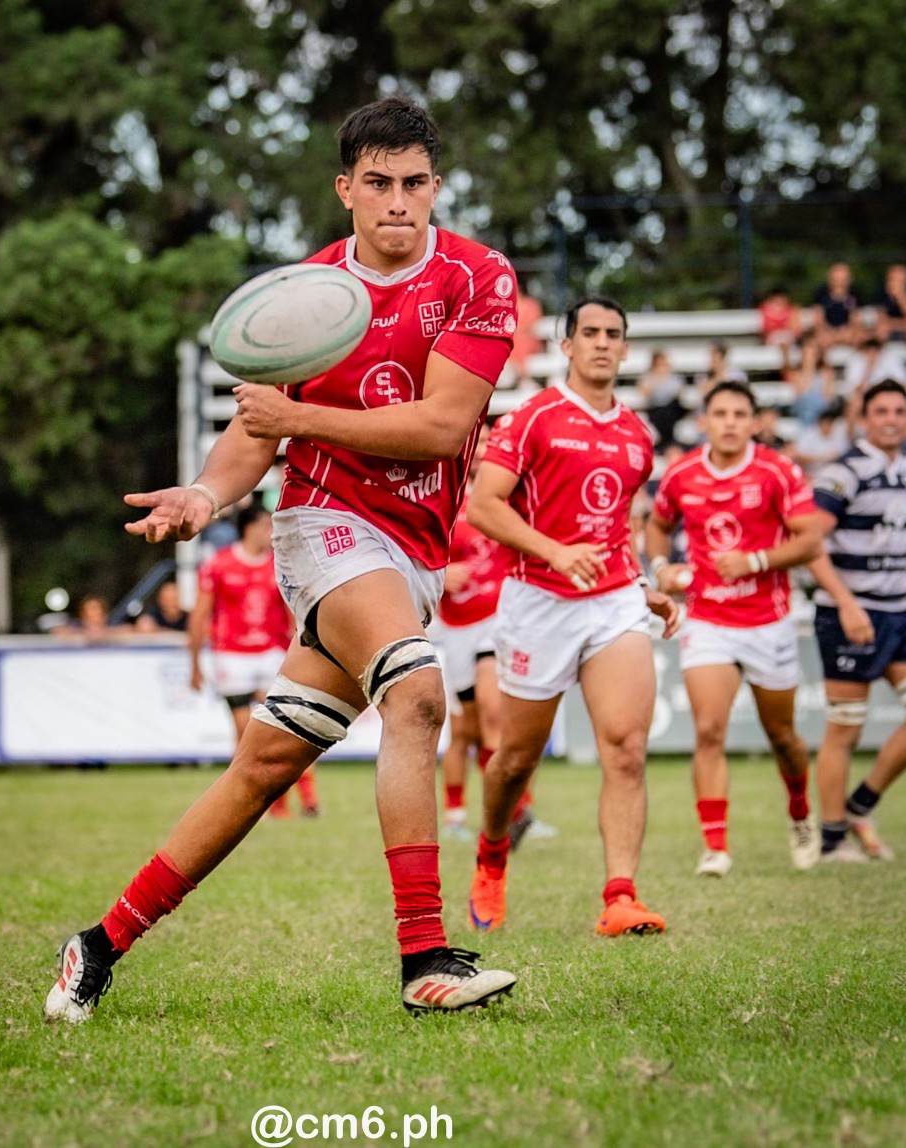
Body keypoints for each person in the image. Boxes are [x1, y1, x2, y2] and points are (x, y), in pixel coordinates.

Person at [44, 95, 518, 1023]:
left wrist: (293, 418)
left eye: (414, 184)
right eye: (376, 184)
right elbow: (253, 436)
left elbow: (441, 426)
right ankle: (424, 955)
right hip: (323, 526)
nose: (397, 202)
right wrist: (205, 496)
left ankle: (97, 945)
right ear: (345, 190)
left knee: (264, 765)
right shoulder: (304, 297)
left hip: (412, 550)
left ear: (436, 188)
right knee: (418, 693)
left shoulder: (477, 276)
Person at [464, 297, 680, 939]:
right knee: (515, 760)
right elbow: (484, 506)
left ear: (626, 347)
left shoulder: (637, 436)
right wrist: (557, 551)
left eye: (615, 334)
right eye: (590, 333)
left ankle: (620, 897)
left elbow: (621, 529)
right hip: (539, 600)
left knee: (627, 748)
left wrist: (642, 584)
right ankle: (493, 853)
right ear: (567, 345)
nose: (603, 344)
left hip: (612, 600)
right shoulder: (532, 418)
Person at [646, 381, 824, 877]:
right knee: (708, 730)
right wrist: (662, 567)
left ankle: (799, 813)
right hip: (708, 619)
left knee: (783, 736)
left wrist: (756, 559)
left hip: (769, 620)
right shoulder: (681, 473)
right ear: (703, 422)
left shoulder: (776, 470)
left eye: (739, 414)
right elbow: (657, 525)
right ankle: (716, 848)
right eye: (719, 413)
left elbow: (810, 539)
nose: (729, 422)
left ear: (754, 421)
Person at [807, 380, 906, 862]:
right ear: (865, 417)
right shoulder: (844, 473)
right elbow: (809, 545)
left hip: (898, 612)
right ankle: (833, 837)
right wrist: (847, 604)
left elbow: (900, 543)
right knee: (845, 728)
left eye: (900, 410)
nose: (892, 419)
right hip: (849, 616)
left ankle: (861, 805)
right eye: (881, 411)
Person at [436, 424, 552, 844]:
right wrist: (439, 572)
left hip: (501, 618)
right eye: (477, 442)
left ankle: (517, 812)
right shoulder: (441, 498)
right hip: (456, 628)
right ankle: (455, 816)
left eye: (490, 442)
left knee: (498, 712)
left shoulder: (513, 497)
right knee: (466, 730)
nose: (484, 449)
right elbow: (413, 553)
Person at [187, 502, 318, 817]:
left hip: (271, 653)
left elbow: (291, 613)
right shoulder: (218, 565)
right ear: (249, 528)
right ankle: (267, 802)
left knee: (289, 726)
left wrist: (303, 644)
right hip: (231, 656)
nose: (270, 533)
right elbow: (200, 614)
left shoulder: (278, 564)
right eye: (265, 526)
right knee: (245, 731)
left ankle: (306, 797)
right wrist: (194, 663)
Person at [636, 349, 687, 447]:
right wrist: (657, 379)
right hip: (654, 410)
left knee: (670, 410)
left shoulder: (674, 378)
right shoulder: (648, 378)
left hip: (671, 410)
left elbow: (680, 393)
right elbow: (645, 394)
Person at [810, 261, 863, 355]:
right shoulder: (821, 294)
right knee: (817, 342)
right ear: (830, 279)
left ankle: (858, 368)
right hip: (827, 332)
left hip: (848, 332)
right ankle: (827, 368)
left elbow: (856, 320)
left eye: (843, 279)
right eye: (837, 279)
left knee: (861, 338)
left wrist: (846, 332)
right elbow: (818, 320)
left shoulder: (855, 294)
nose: (840, 283)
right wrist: (831, 333)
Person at [792, 400, 850, 476]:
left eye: (829, 424)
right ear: (819, 423)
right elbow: (798, 457)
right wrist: (824, 458)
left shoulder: (839, 435)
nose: (826, 427)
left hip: (834, 475)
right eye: (824, 423)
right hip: (812, 474)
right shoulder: (809, 435)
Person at [873, 263, 906, 355]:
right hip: (888, 327)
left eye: (900, 281)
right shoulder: (882, 294)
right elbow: (881, 317)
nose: (897, 284)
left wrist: (901, 296)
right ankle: (880, 359)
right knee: (881, 329)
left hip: (905, 327)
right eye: (894, 280)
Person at [52, 594, 131, 641]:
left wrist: (106, 634)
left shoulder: (112, 624)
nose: (95, 613)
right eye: (91, 610)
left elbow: (128, 630)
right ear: (83, 615)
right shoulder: (77, 626)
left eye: (97, 609)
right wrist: (83, 634)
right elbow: (59, 631)